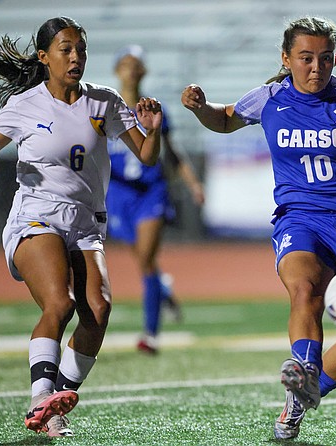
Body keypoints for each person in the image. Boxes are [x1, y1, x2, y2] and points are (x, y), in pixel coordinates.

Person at [181, 16, 336, 440]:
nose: (316, 68)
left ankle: (303, 394)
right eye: (306, 58)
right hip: (300, 218)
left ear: (335, 59)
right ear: (286, 58)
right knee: (304, 289)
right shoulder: (270, 97)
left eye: (325, 59)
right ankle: (305, 366)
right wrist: (201, 108)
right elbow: (225, 118)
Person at [0, 17, 162, 437]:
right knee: (60, 303)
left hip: (85, 222)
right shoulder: (24, 105)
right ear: (45, 57)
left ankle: (55, 402)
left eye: (80, 49)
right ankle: (39, 398)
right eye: (65, 49)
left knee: (97, 312)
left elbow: (147, 156)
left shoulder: (103, 101)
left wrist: (151, 132)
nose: (75, 57)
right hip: (37, 214)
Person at [107, 44, 205, 355]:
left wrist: (192, 183)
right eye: (125, 63)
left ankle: (150, 334)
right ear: (116, 70)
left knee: (147, 259)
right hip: (119, 194)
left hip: (151, 191)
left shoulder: (152, 107)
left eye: (136, 63)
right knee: (143, 261)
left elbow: (172, 152)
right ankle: (163, 290)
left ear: (144, 71)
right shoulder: (104, 107)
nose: (131, 68)